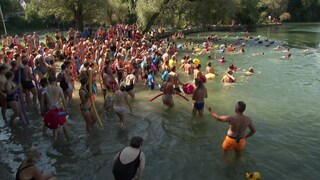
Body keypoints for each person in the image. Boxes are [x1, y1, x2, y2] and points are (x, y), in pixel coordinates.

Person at [42, 76, 69, 141]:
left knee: (46, 125)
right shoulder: (59, 89)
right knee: (63, 125)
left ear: (48, 81)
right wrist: (66, 109)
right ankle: (68, 139)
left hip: (49, 111)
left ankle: (44, 137)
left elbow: (42, 102)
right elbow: (63, 100)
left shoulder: (44, 89)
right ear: (56, 81)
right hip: (59, 110)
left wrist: (42, 111)